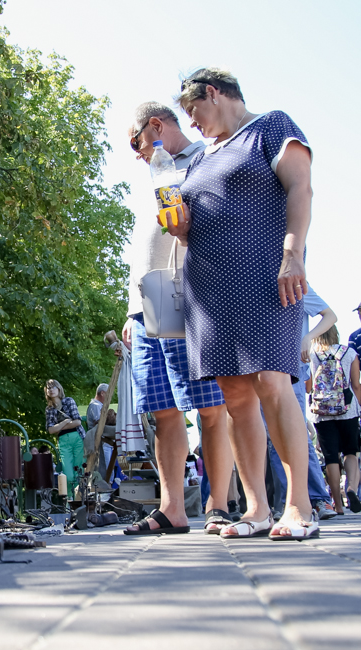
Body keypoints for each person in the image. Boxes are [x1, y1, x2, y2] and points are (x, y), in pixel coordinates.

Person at [168, 68, 316, 540]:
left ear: (213, 93)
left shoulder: (271, 126)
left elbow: (300, 187)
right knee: (234, 396)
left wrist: (293, 254)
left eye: (193, 111)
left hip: (266, 276)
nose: (192, 124)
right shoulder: (199, 158)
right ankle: (256, 510)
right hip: (209, 289)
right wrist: (180, 226)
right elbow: (192, 228)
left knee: (272, 381)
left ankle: (299, 507)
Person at [121, 102, 232, 536]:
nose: (137, 154)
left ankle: (218, 505)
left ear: (155, 125)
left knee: (209, 406)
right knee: (161, 409)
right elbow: (145, 248)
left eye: (137, 143)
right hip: (147, 302)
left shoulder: (205, 158)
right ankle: (172, 511)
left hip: (189, 295)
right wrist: (130, 310)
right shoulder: (154, 171)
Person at [265, 286, 338, 519]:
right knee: (273, 437)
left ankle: (319, 499)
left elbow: (330, 316)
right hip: (262, 369)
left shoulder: (295, 284)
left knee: (296, 433)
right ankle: (290, 502)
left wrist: (308, 337)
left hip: (292, 368)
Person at [307, 325, 361, 514]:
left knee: (331, 458)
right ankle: (351, 488)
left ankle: (337, 505)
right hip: (348, 410)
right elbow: (356, 385)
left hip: (322, 413)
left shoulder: (312, 354)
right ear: (335, 334)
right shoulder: (349, 353)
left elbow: (308, 387)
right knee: (351, 452)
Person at [44, 379, 85, 499]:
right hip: (63, 441)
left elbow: (77, 422)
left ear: (59, 389)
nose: (51, 390)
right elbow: (50, 430)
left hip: (77, 437)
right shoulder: (49, 409)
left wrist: (59, 427)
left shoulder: (69, 401)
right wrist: (66, 421)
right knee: (68, 474)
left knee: (79, 471)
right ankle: (69, 500)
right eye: (49, 388)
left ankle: (80, 499)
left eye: (53, 387)